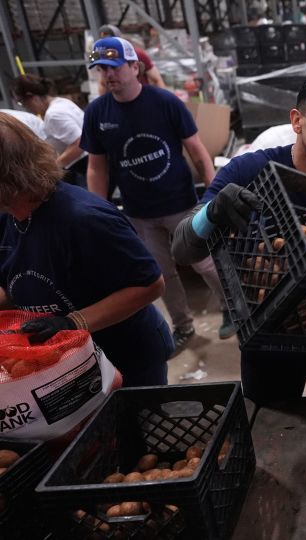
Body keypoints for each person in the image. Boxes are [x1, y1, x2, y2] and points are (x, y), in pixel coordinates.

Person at [171, 74, 306, 405]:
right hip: (267, 340)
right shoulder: (248, 172)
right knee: (270, 434)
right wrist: (211, 212)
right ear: (297, 121)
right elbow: (182, 250)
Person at [81, 36, 235, 349]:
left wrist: (213, 191)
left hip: (181, 203)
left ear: (135, 67)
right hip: (140, 212)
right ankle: (182, 326)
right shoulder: (97, 113)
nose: (108, 75)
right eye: (102, 69)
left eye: (115, 67)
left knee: (204, 262)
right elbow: (98, 167)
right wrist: (95, 212)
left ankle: (233, 309)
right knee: (161, 273)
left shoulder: (165, 103)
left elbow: (196, 149)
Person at [0, 113, 172, 386]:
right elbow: (10, 283)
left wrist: (72, 322)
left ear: (8, 176)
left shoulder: (84, 219)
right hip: (66, 361)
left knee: (130, 425)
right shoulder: (8, 217)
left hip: (124, 356)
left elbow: (150, 285)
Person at [13, 74, 87, 185]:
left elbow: (79, 143)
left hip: (83, 166)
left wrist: (54, 168)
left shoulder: (53, 114)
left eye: (23, 103)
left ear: (32, 97)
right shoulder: (61, 102)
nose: (26, 108)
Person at [97, 24, 165, 90]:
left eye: (109, 40)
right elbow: (102, 84)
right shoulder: (102, 57)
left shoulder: (136, 54)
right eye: (103, 40)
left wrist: (163, 99)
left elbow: (157, 79)